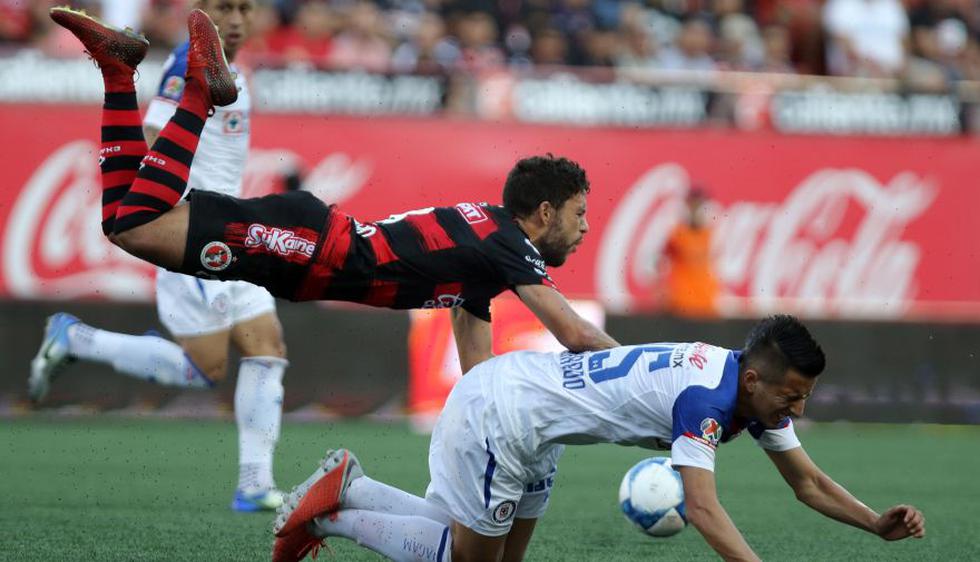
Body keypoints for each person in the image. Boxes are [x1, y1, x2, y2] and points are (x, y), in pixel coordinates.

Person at [43, 7, 620, 380]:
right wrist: (656, 377)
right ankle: (197, 90)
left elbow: (476, 359)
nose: (586, 227)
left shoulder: (484, 255)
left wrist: (484, 419)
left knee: (121, 222)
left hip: (309, 244)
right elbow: (575, 334)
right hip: (311, 248)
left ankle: (118, 73)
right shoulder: (507, 245)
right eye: (579, 213)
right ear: (544, 212)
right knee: (135, 228)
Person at [271, 315, 926, 562]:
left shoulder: (752, 389)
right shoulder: (708, 398)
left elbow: (805, 481)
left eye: (804, 396)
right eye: (792, 395)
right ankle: (331, 519)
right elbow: (701, 507)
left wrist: (873, 523)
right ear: (755, 378)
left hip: (534, 422)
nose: (799, 409)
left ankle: (352, 485)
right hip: (508, 411)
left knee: (490, 555)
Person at [29, 0, 290, 513]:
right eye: (222, 8)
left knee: (269, 348)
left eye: (244, 9)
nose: (235, 19)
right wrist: (167, 212)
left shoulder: (234, 71)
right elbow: (153, 137)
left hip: (234, 229)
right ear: (199, 12)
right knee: (205, 369)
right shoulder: (184, 66)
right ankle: (78, 338)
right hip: (198, 233)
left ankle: (255, 484)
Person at [658, 186, 720, 318]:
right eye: (693, 204)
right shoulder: (677, 234)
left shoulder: (712, 234)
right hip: (682, 306)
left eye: (699, 204)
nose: (696, 209)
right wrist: (662, 291)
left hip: (707, 306)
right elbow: (658, 262)